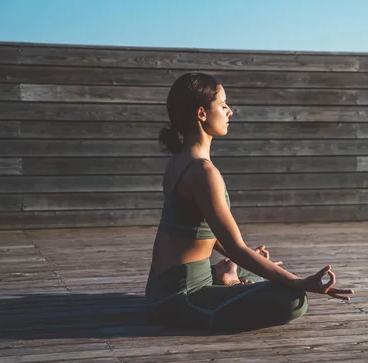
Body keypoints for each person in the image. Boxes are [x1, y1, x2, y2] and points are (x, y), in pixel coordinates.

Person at [146, 72, 353, 332]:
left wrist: (239, 260)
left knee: (258, 273)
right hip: (182, 297)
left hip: (160, 286)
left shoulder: (178, 161)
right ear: (201, 113)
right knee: (293, 299)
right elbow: (235, 247)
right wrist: (302, 283)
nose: (230, 111)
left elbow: (201, 231)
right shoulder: (203, 172)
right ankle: (229, 281)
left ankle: (228, 276)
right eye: (223, 105)